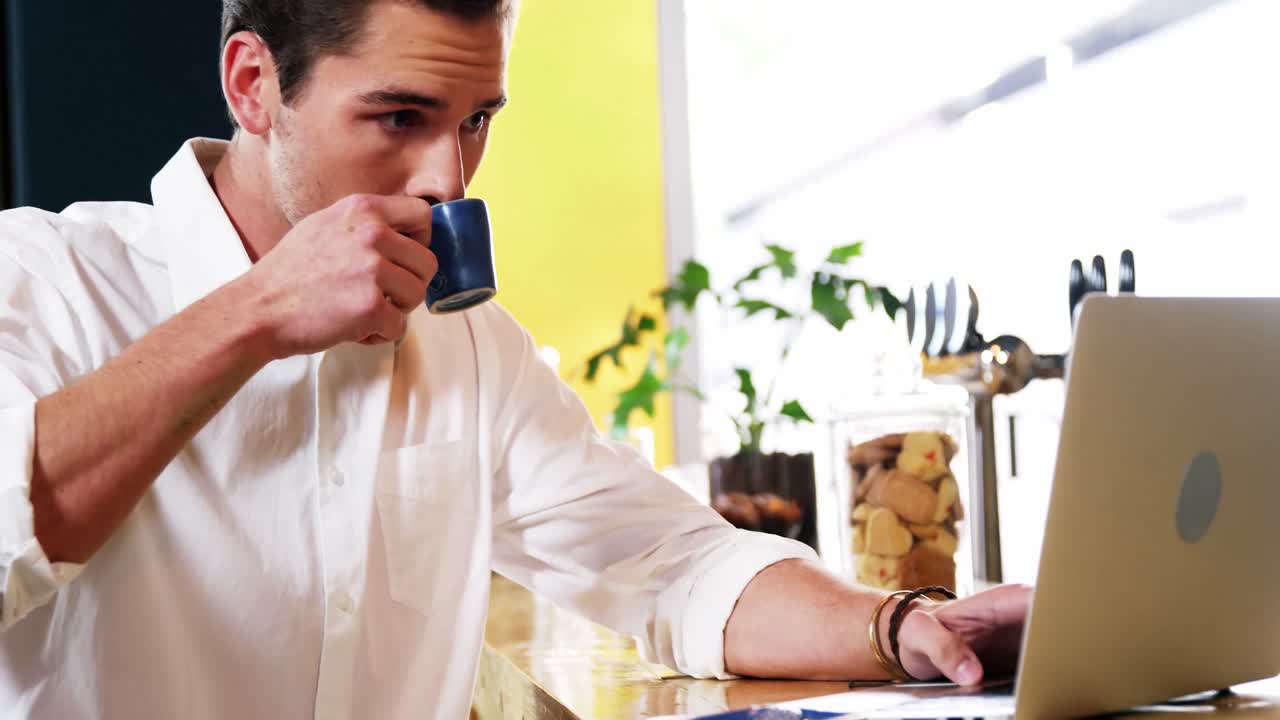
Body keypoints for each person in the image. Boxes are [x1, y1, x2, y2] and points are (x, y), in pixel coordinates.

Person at [0, 1, 1030, 717]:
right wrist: (257, 311)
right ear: (253, 85)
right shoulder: (40, 278)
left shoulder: (466, 344)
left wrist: (903, 626)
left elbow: (668, 565)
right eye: (399, 117)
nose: (449, 179)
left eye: (476, 121)